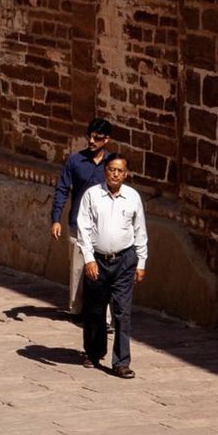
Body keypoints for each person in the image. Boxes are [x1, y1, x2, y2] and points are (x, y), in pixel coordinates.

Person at [74, 155, 148, 378]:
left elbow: (140, 231)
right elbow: (84, 228)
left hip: (124, 261)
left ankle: (121, 362)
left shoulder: (133, 197)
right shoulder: (92, 195)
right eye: (112, 169)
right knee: (95, 310)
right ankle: (94, 352)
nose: (115, 174)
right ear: (105, 171)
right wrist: (88, 258)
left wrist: (141, 261)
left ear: (125, 174)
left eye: (120, 170)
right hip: (98, 260)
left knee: (122, 312)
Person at [49, 117, 115, 316]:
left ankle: (106, 316)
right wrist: (55, 219)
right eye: (90, 136)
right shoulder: (75, 161)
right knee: (78, 270)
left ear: (106, 140)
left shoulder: (112, 164)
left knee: (106, 272)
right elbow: (62, 189)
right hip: (78, 224)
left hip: (105, 226)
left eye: (98, 138)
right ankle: (77, 310)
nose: (92, 141)